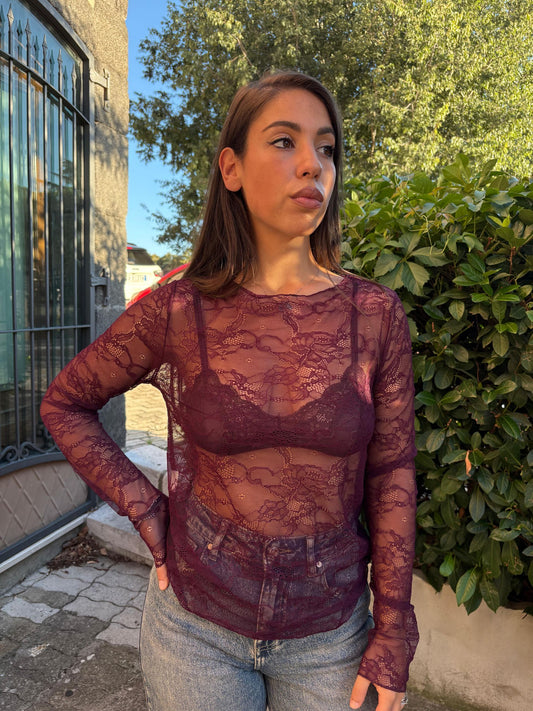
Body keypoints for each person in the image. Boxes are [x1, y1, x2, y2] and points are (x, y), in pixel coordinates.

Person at [40, 70, 418, 711]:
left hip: (331, 632)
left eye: (327, 148)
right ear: (232, 168)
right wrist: (146, 509)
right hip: (195, 628)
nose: (313, 164)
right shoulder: (178, 311)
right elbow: (65, 403)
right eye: (285, 141)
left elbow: (393, 472)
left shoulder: (375, 315)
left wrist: (395, 627)